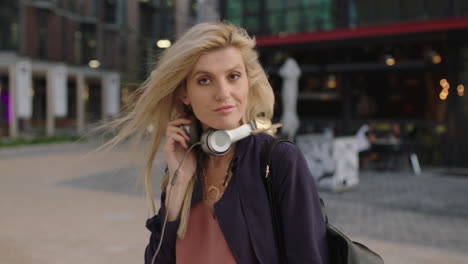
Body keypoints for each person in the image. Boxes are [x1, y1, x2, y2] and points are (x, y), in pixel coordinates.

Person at [105, 22, 328, 264]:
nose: (223, 92)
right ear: (184, 94)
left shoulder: (278, 160)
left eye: (233, 76)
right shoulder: (181, 166)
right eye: (204, 80)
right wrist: (179, 186)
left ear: (248, 82)